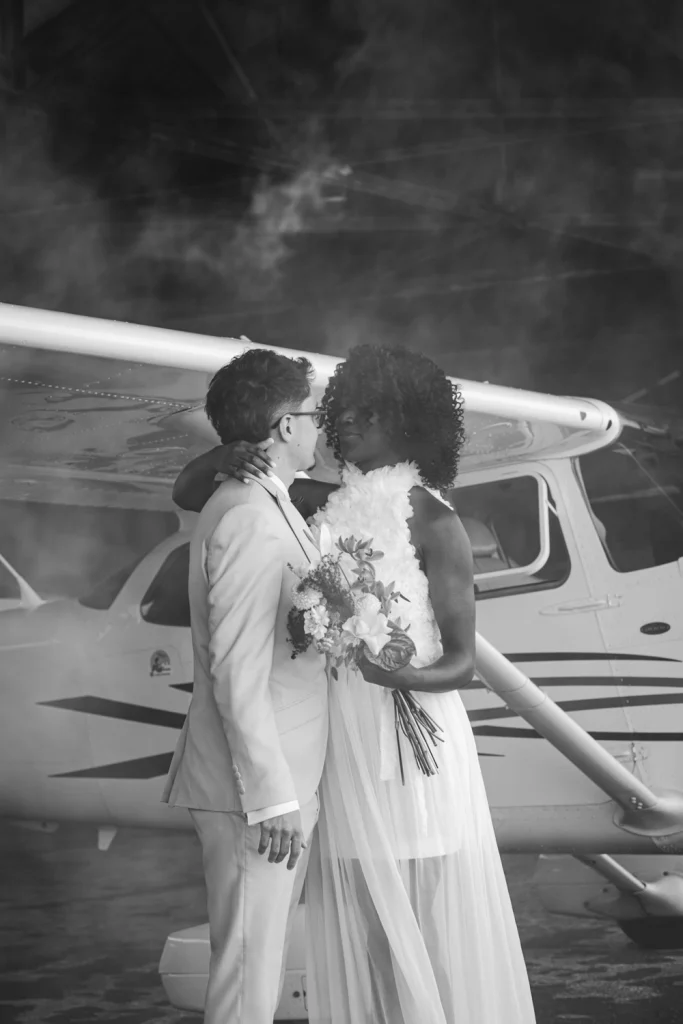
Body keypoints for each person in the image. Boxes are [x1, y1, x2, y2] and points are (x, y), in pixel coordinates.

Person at [174, 343, 537, 1024]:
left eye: (363, 415)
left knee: (419, 925)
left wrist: (399, 674)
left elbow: (462, 661)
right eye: (337, 413)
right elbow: (190, 490)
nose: (342, 426)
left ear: (403, 422)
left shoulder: (436, 521)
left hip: (410, 751)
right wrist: (229, 454)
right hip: (340, 748)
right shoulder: (323, 500)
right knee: (372, 930)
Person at [162, 349, 329, 1024]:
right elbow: (236, 672)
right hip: (254, 790)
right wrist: (270, 798)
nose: (324, 428)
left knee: (256, 975)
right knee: (244, 979)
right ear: (287, 426)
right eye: (314, 414)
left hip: (279, 777)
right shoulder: (247, 515)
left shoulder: (268, 503)